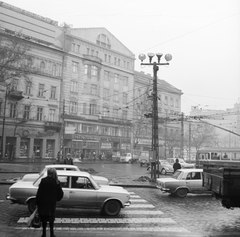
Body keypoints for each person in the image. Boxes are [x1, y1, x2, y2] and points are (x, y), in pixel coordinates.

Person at [36, 168, 63, 237]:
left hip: (43, 203)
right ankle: (52, 234)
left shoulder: (43, 181)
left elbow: (39, 193)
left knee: (43, 219)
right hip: (51, 203)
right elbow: (60, 194)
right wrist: (56, 199)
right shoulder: (56, 182)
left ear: (48, 173)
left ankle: (44, 234)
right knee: (51, 219)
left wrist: (37, 203)